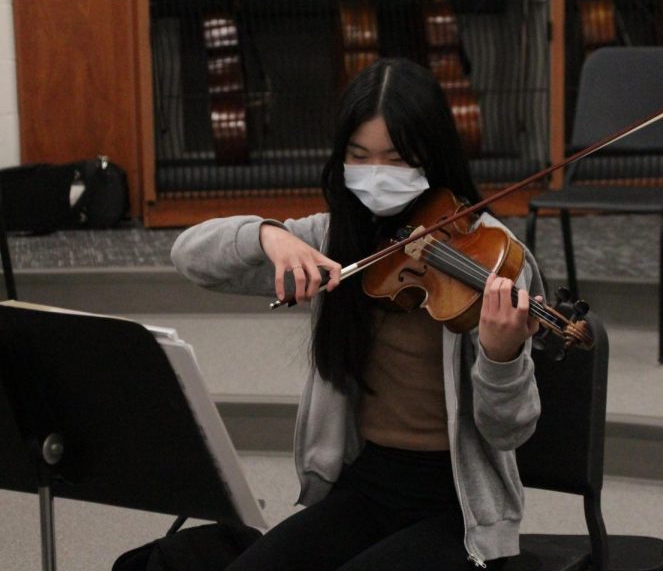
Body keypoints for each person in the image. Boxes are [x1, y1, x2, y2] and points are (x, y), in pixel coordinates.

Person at [171, 58, 545, 570]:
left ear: (432, 156)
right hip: (364, 488)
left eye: (395, 159)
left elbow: (509, 432)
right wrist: (269, 234)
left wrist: (503, 360)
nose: (377, 175)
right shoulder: (337, 239)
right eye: (360, 156)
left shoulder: (494, 256)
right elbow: (191, 257)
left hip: (458, 510)